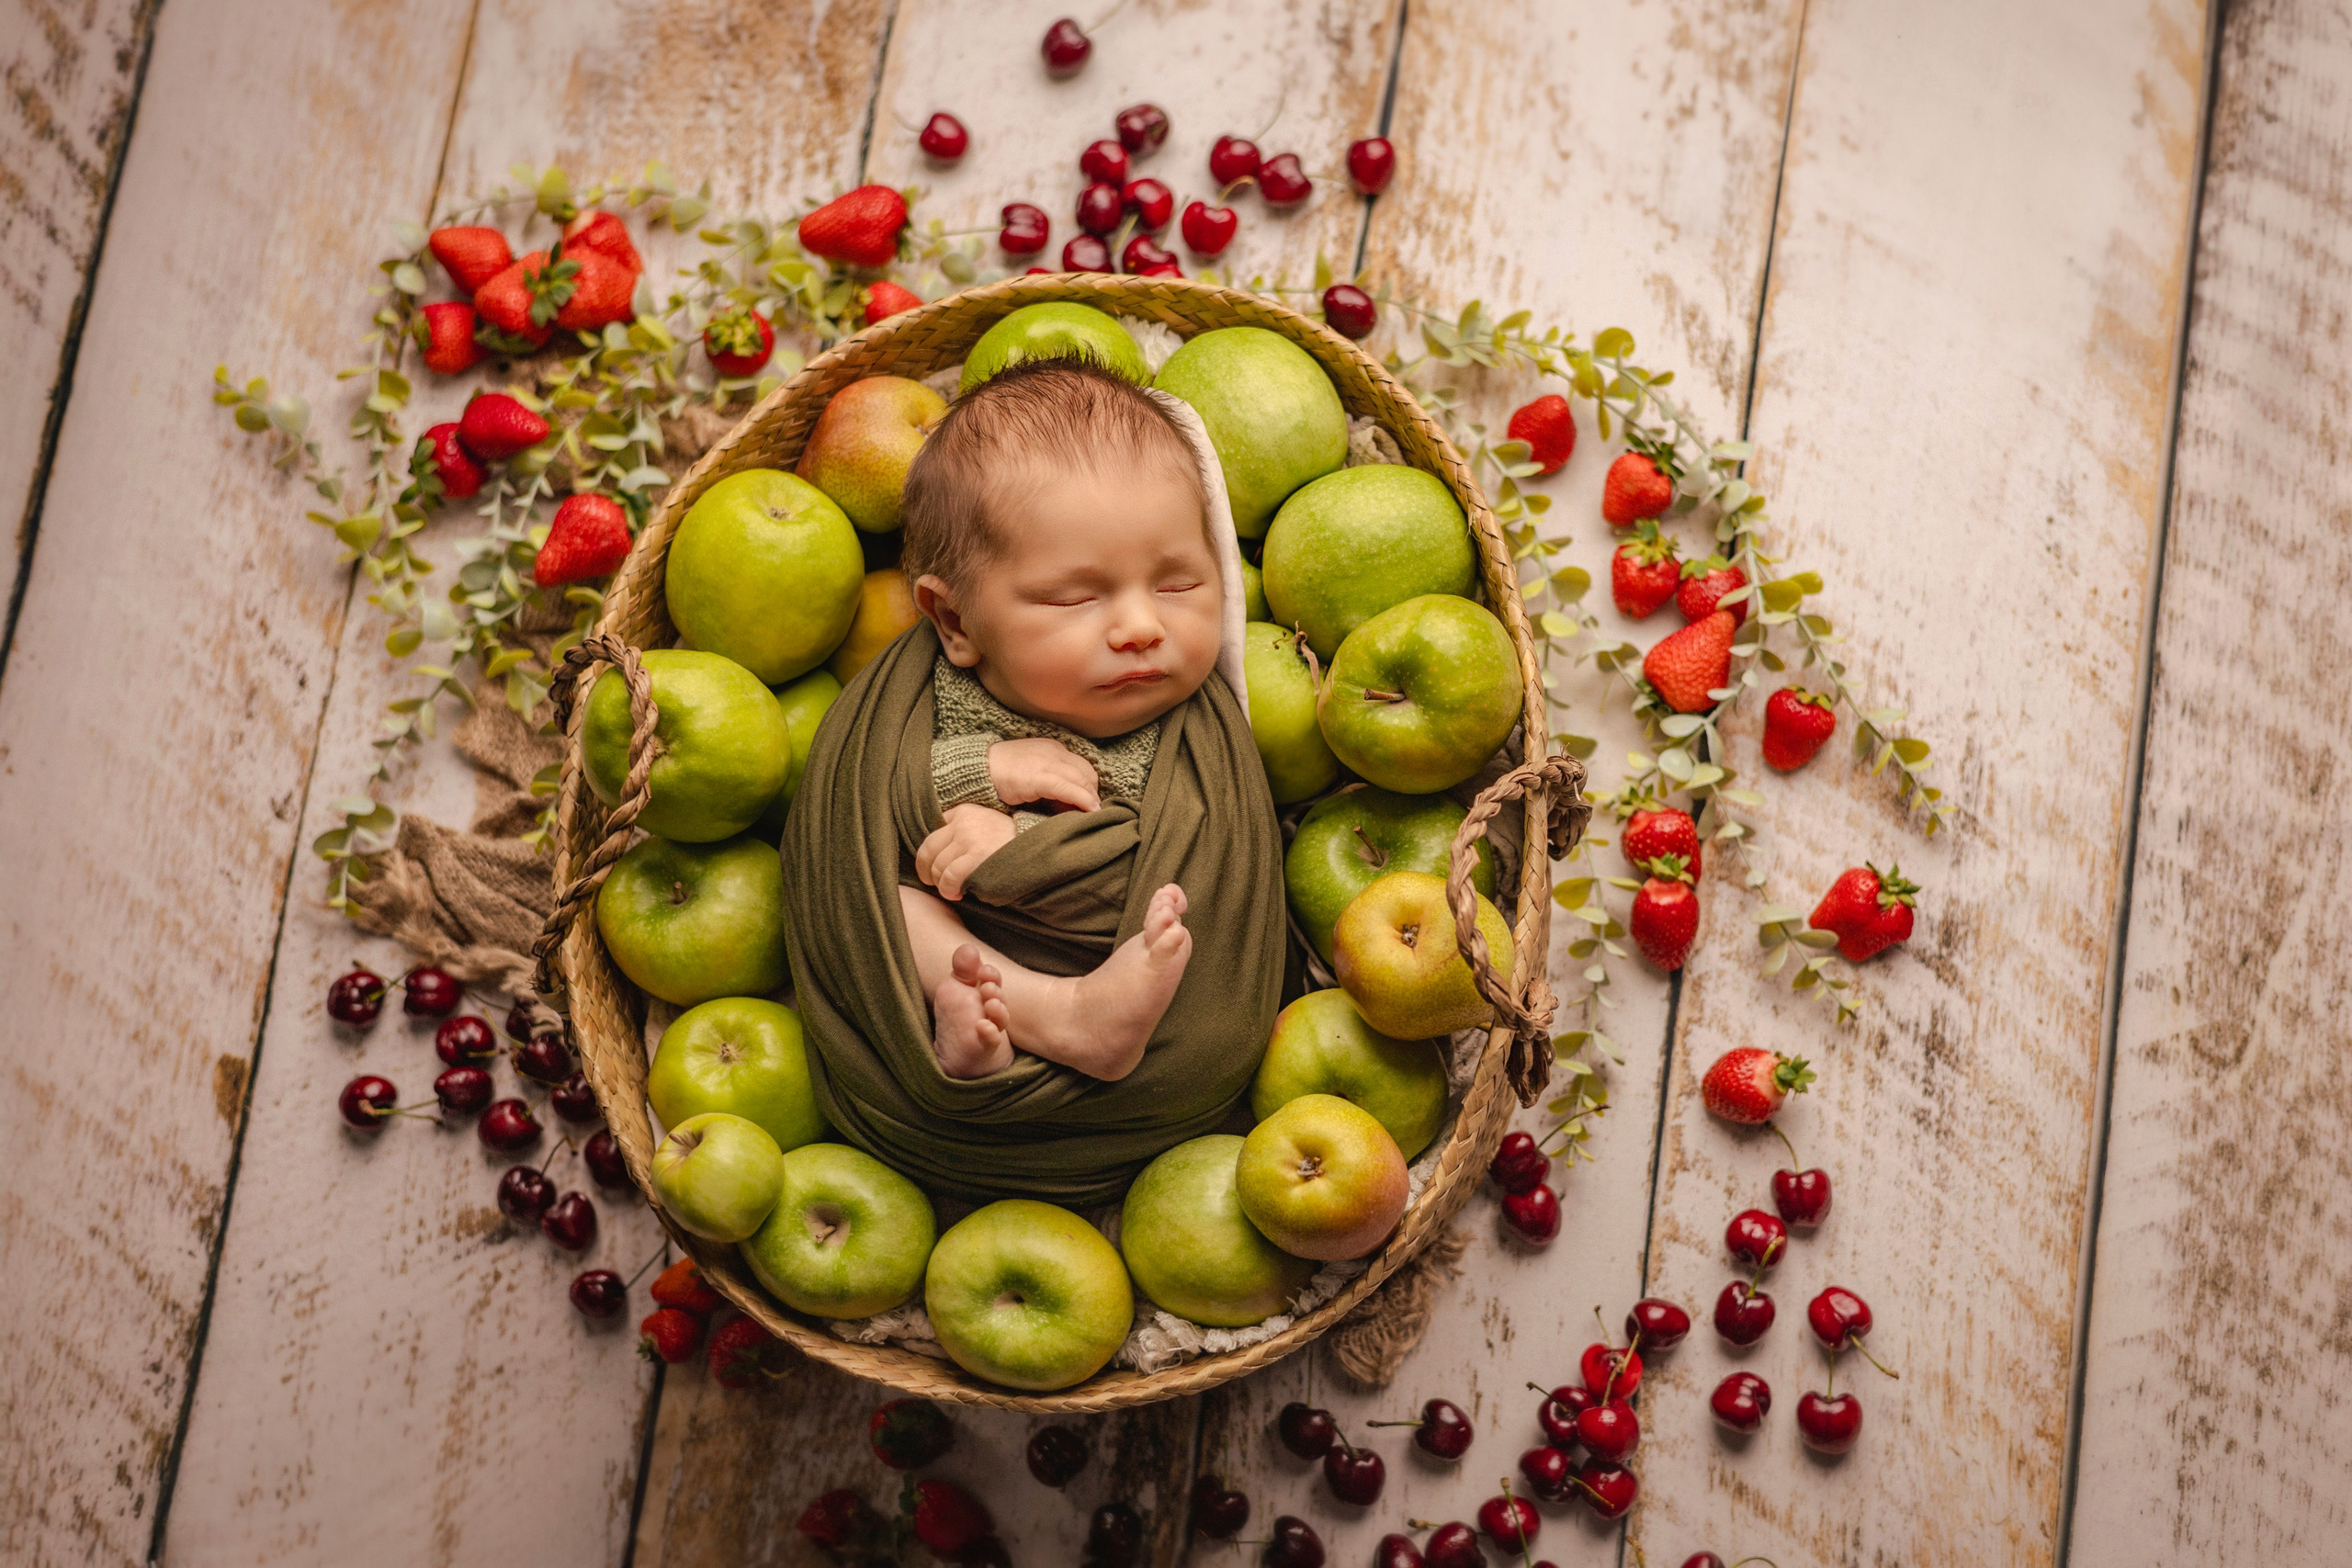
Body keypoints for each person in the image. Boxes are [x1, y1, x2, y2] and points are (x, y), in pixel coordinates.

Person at [781, 355, 1288, 1206]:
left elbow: (1187, 861)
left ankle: (1018, 1030)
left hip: (1147, 1020)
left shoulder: (1193, 733)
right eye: (1074, 599)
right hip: (939, 971)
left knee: (1177, 933)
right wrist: (982, 770)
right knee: (879, 897)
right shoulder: (923, 694)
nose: (1141, 625)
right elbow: (864, 809)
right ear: (954, 619)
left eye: (1179, 583)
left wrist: (1016, 845)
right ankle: (1030, 1022)